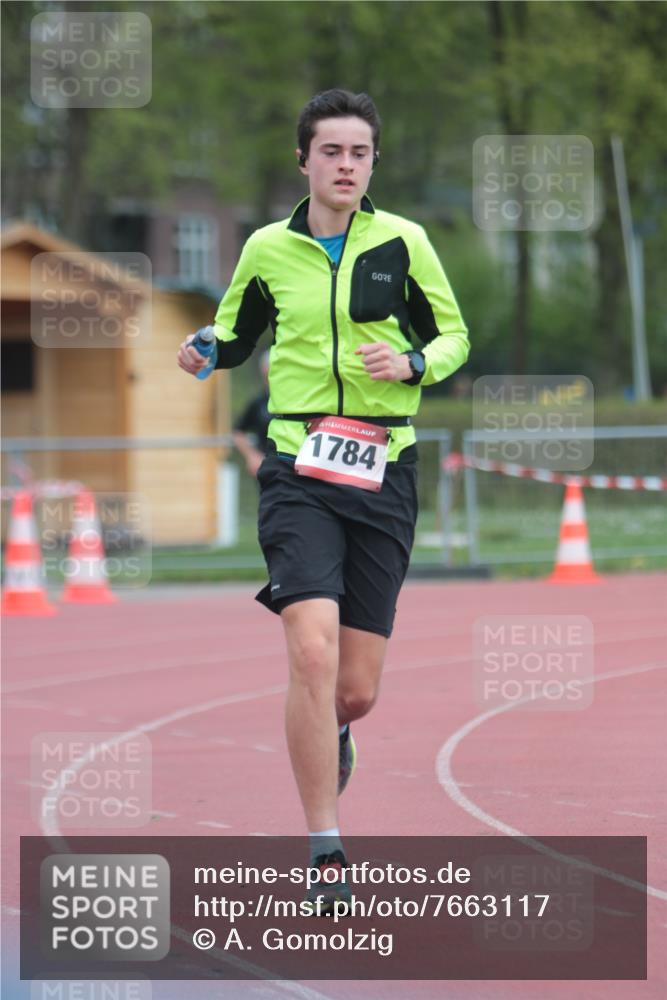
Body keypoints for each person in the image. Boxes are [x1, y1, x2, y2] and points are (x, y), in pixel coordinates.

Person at [177, 88, 469, 913]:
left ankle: (337, 729)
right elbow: (233, 334)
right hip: (298, 467)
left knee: (353, 689)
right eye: (332, 151)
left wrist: (413, 367)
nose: (346, 165)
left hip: (383, 472)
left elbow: (454, 337)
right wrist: (199, 350)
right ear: (302, 160)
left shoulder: (404, 242)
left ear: (373, 162)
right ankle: (325, 847)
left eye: (360, 153)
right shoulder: (267, 249)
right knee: (309, 653)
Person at [232, 350, 271, 477]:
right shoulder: (258, 403)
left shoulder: (296, 402)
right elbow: (238, 432)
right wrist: (252, 456)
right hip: (267, 468)